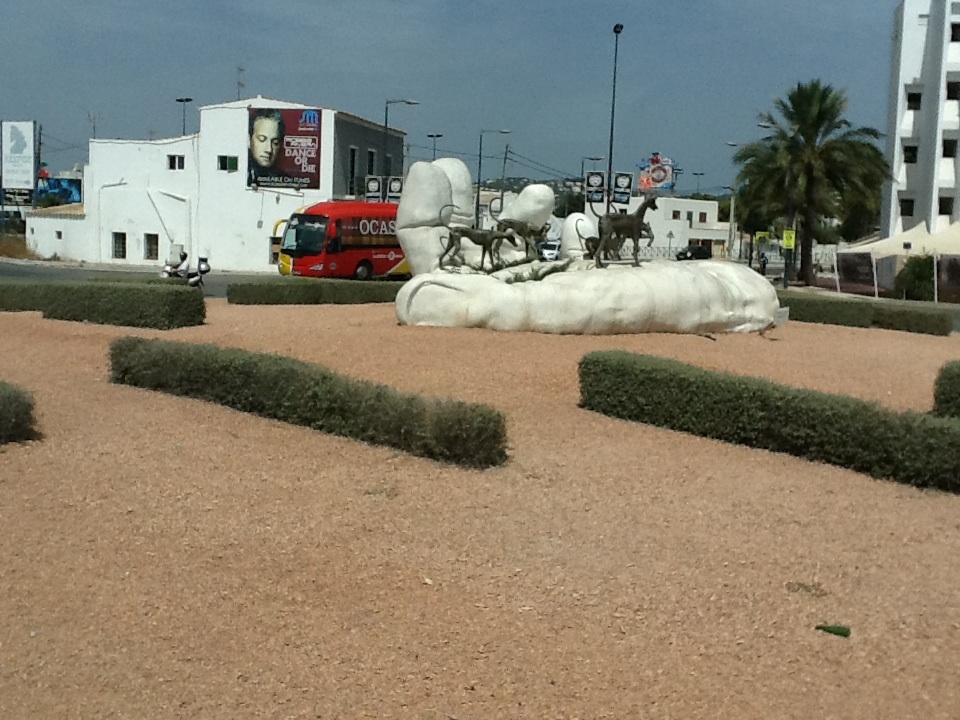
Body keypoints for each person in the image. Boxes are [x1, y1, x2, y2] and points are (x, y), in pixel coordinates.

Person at [247, 109, 285, 185]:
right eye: (262, 139)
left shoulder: (286, 181)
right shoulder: (239, 175)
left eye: (275, 143)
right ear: (249, 140)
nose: (269, 149)